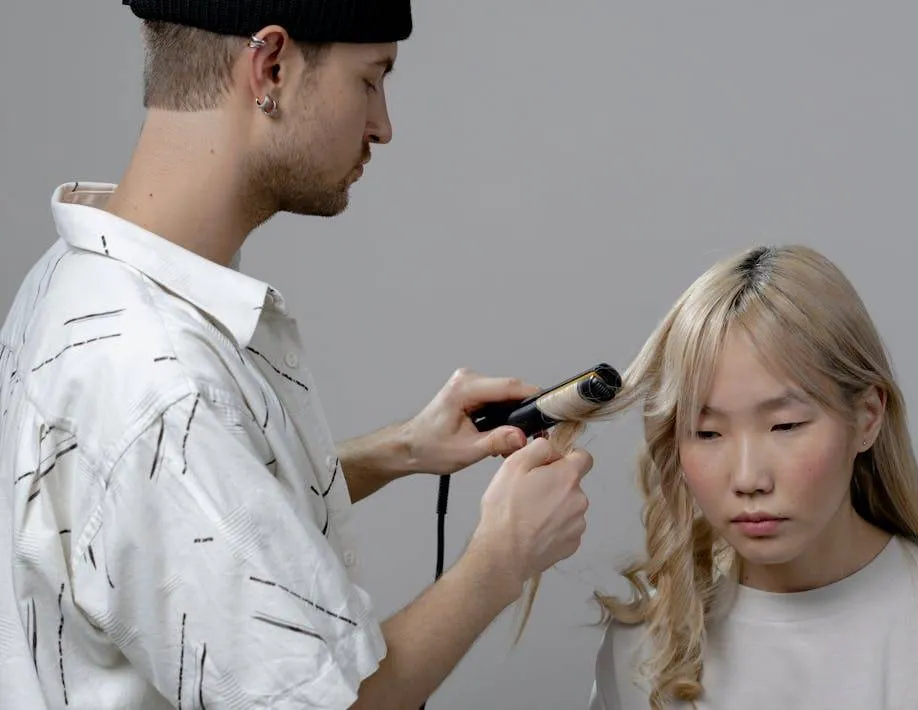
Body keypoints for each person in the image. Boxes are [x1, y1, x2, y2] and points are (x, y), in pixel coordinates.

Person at [0, 2, 594, 709]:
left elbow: (179, 520)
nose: (383, 125)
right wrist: (503, 557)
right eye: (371, 79)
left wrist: (402, 449)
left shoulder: (76, 280)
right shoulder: (161, 386)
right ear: (271, 66)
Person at [539, 245, 918, 708]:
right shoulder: (644, 645)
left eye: (785, 425)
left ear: (868, 417)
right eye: (707, 432)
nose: (749, 478)